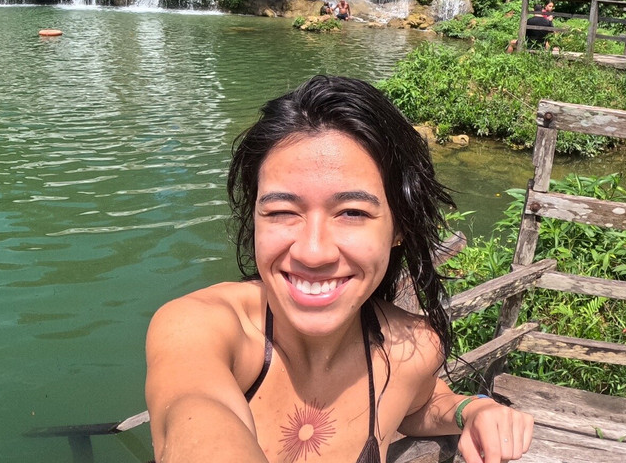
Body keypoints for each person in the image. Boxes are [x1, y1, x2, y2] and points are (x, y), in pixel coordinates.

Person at [145, 76, 533, 463]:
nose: (313, 252)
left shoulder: (412, 349)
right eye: (281, 212)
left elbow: (417, 403)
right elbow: (193, 410)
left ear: (398, 227)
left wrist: (472, 410)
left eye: (352, 212)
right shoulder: (199, 327)